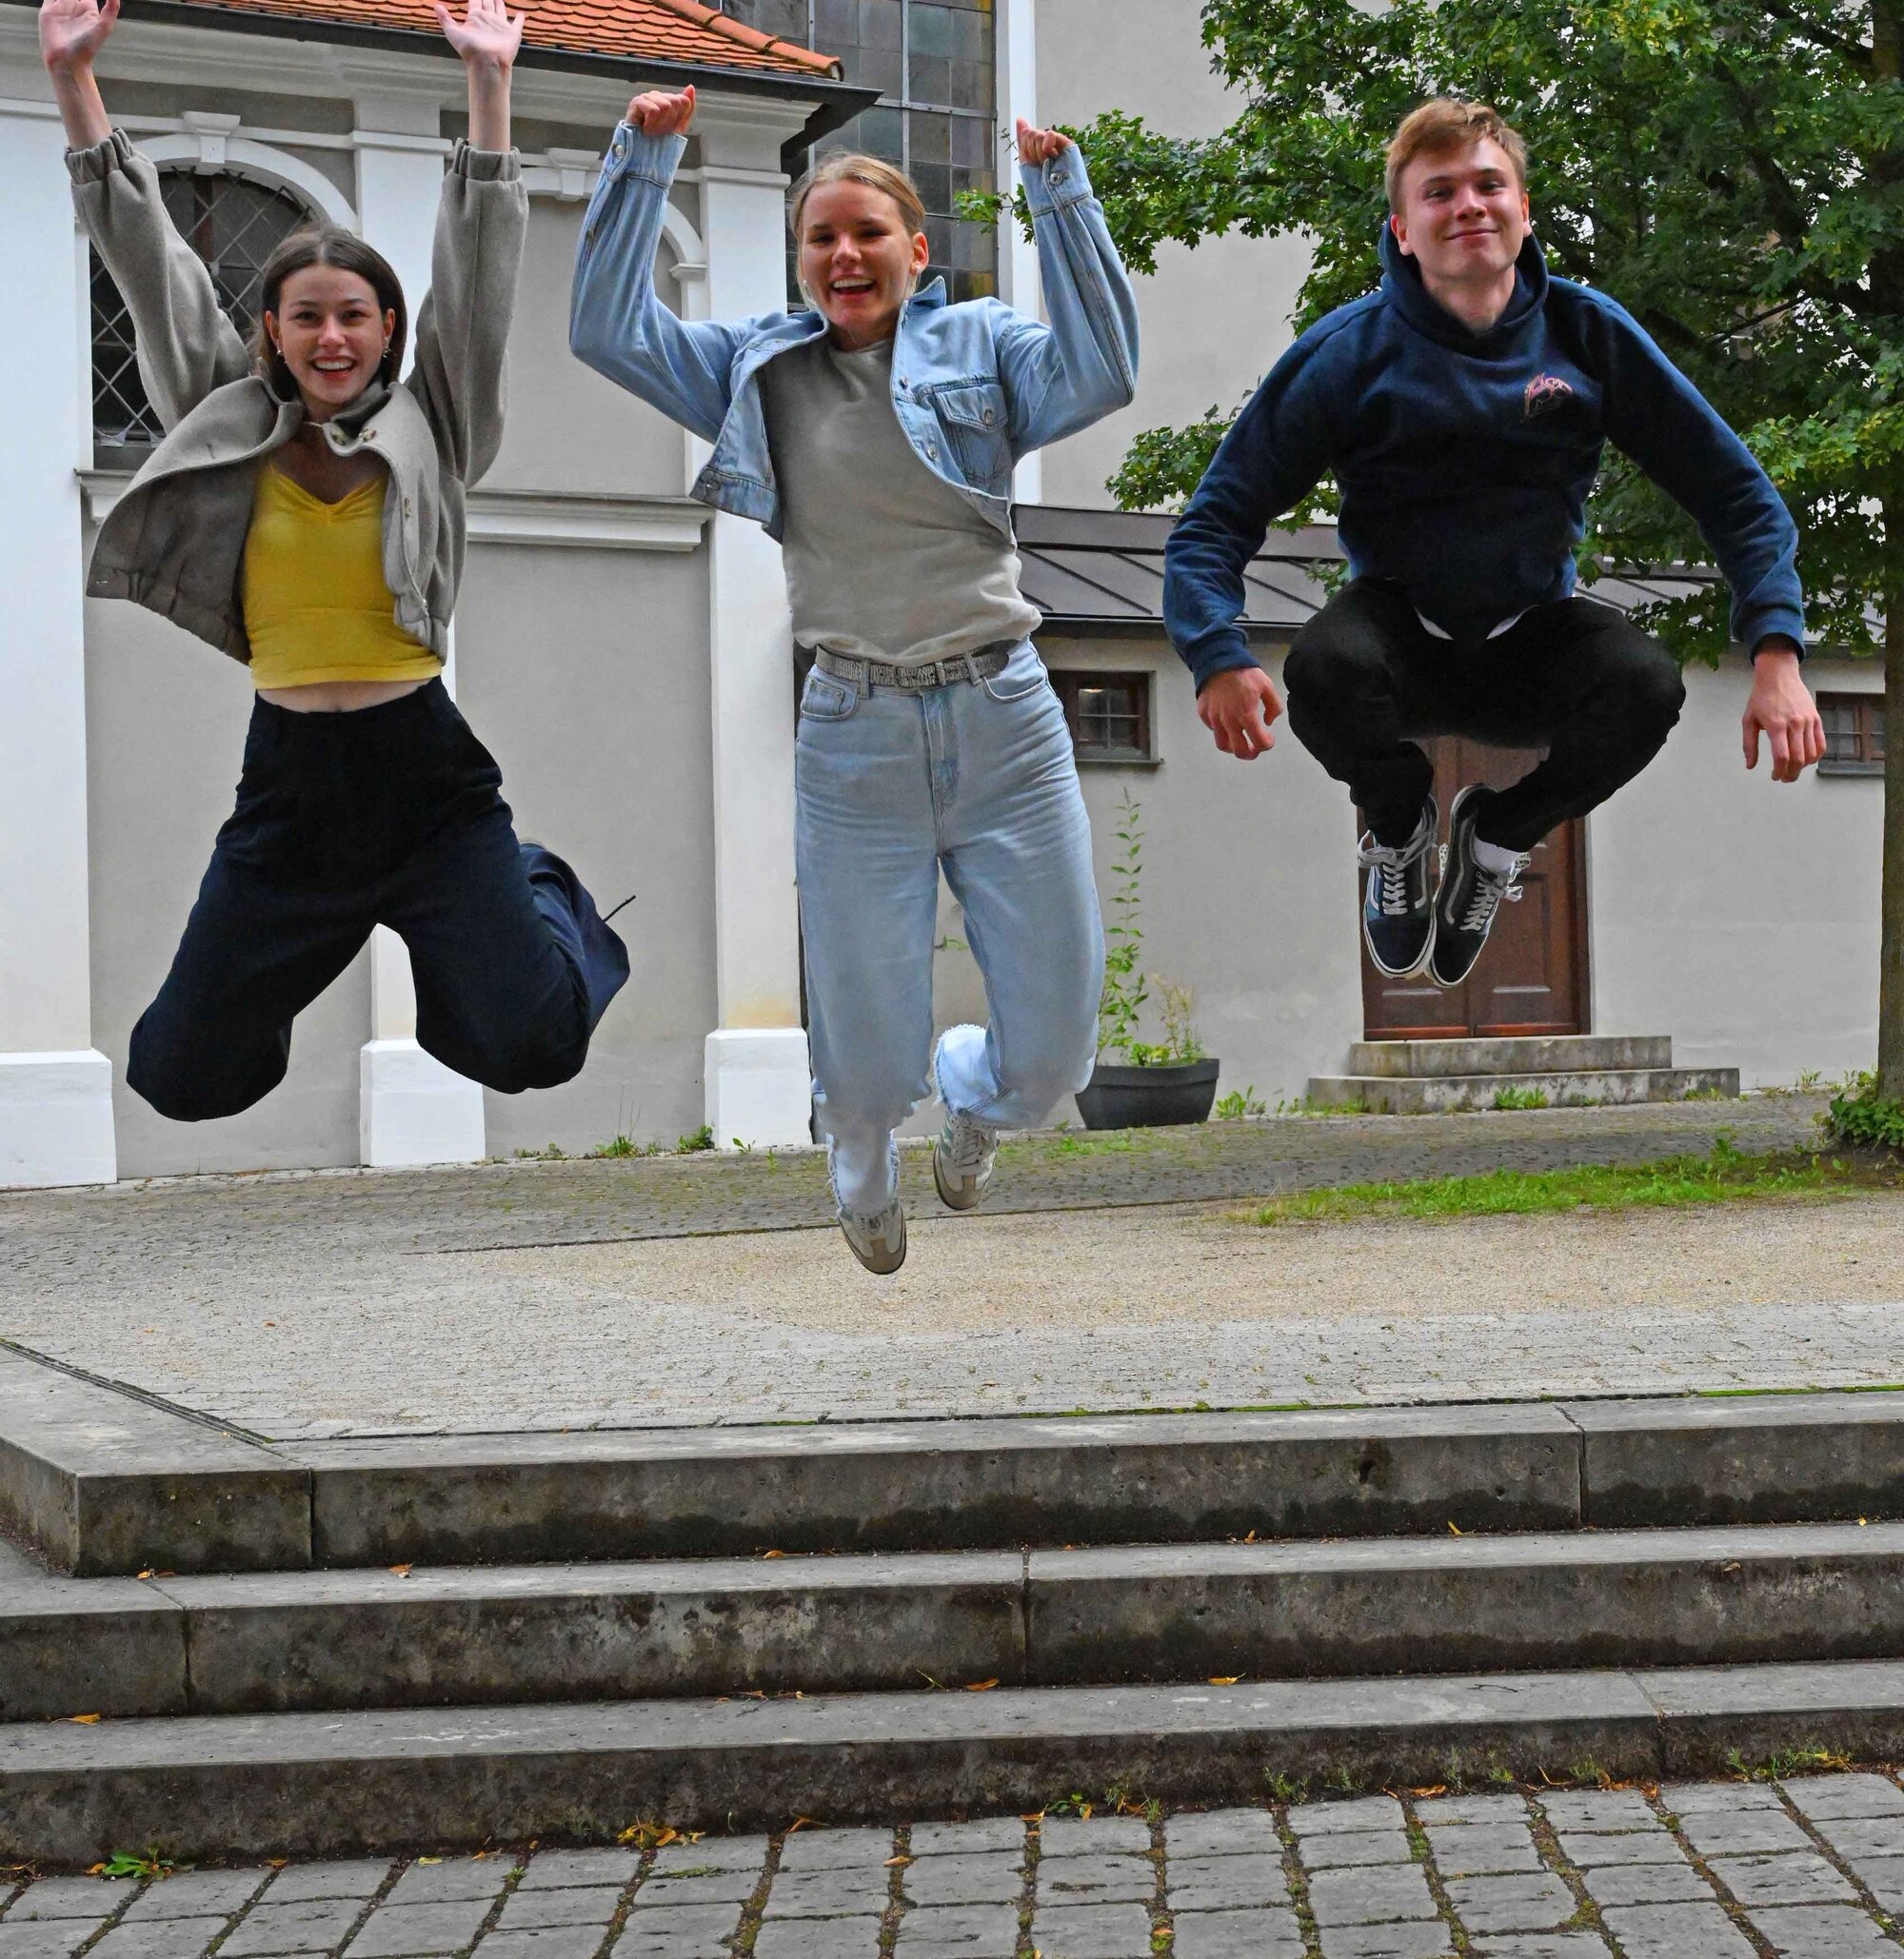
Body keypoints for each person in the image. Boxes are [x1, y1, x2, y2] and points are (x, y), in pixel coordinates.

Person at [41, 0, 629, 1123]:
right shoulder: (225, 412)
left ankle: (538, 885)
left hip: (429, 782)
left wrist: (489, 90)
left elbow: (480, 272)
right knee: (179, 1075)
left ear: (385, 328)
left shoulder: (436, 417)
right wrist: (74, 85)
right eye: (305, 315)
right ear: (270, 329)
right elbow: (146, 261)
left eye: (352, 315)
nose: (330, 336)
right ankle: (316, 947)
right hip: (290, 790)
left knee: (533, 1043)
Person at [570, 87, 1139, 1271]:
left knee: (1053, 1058)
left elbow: (1102, 371)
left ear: (916, 253)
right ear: (799, 262)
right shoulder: (753, 370)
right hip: (853, 726)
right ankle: (860, 1146)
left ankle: (974, 1107)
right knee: (866, 1048)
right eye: (819, 238)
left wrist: (1060, 196)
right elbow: (606, 332)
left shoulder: (981, 344)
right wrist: (641, 161)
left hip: (1006, 719)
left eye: (868, 233)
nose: (843, 254)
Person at [1165, 97, 1823, 988]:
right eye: (1440, 193)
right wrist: (1213, 652)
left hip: (1532, 636)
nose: (1468, 206)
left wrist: (1778, 652)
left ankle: (1497, 836)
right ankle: (1398, 827)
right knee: (1321, 666)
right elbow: (1214, 522)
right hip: (1400, 640)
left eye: (1488, 185)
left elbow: (1735, 493)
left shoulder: (1586, 336)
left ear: (1523, 211)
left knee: (1647, 685)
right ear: (1403, 229)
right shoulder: (1349, 354)